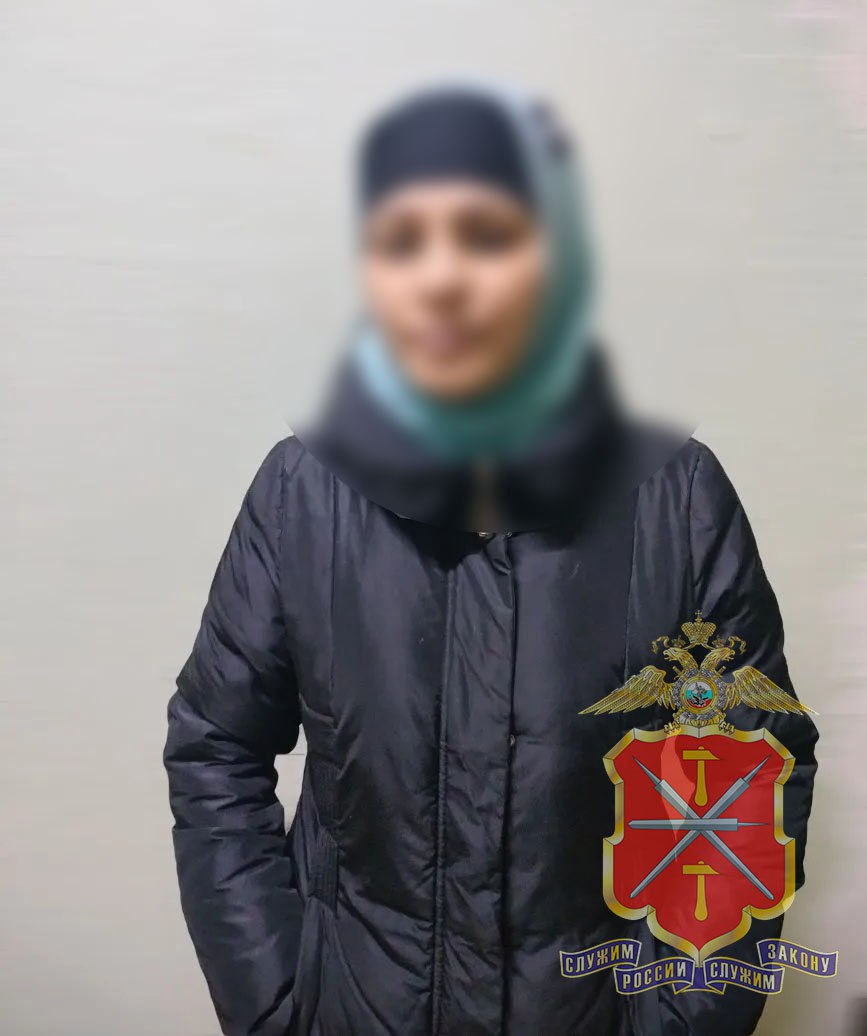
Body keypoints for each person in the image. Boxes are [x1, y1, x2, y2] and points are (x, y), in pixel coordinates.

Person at [162, 77, 819, 1036]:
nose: (442, 275)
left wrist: (681, 1021)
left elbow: (745, 775)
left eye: (485, 233)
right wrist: (276, 1004)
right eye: (402, 241)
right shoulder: (303, 493)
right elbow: (217, 748)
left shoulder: (675, 502)